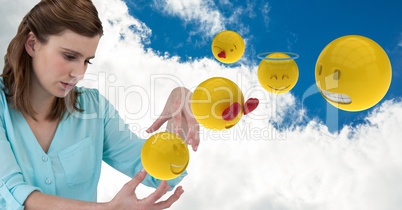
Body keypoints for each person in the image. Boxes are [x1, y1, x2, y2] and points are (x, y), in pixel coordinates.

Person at [0, 0, 200, 209]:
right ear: (32, 44)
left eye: (87, 61)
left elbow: (157, 171)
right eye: (69, 56)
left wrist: (180, 113)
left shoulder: (94, 109)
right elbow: (13, 194)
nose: (79, 73)